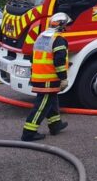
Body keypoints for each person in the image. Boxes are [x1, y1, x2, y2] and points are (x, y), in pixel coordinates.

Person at [22, 12, 71, 141]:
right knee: (41, 106)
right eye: (66, 25)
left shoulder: (41, 36)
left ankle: (55, 124)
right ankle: (28, 133)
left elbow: (35, 57)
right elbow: (59, 61)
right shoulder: (58, 39)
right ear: (62, 26)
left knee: (52, 100)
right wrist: (63, 78)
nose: (67, 27)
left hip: (39, 76)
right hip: (48, 78)